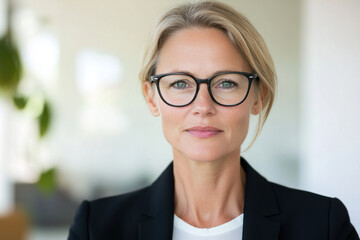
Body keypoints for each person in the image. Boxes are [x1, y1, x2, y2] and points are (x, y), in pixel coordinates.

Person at [67, 1, 359, 239]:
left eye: (227, 83)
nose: (203, 106)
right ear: (152, 98)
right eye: (180, 84)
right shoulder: (97, 228)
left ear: (259, 96)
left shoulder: (324, 226)